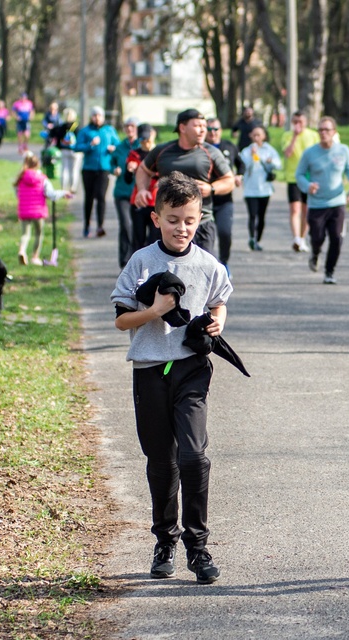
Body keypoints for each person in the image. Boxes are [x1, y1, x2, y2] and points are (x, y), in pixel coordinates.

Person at [110, 171, 233, 585]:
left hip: (192, 369)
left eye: (190, 220)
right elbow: (121, 319)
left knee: (194, 457)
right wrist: (154, 312)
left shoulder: (208, 264)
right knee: (161, 461)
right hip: (149, 370)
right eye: (174, 218)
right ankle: (165, 540)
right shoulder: (141, 262)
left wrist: (215, 324)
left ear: (200, 219)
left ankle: (197, 548)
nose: (182, 228)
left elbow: (218, 303)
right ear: (156, 216)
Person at [134, 109, 235, 257]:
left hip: (200, 224)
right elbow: (143, 169)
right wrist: (142, 189)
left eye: (204, 126)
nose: (203, 130)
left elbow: (229, 180)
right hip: (167, 225)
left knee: (202, 274)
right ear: (182, 128)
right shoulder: (162, 151)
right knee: (162, 274)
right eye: (197, 125)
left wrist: (212, 188)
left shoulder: (210, 152)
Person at [295, 116, 349, 284]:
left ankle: (329, 272)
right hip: (316, 203)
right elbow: (299, 174)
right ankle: (315, 253)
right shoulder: (310, 153)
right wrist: (308, 186)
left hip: (337, 201)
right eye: (320, 130)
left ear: (334, 132)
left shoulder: (343, 150)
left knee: (337, 238)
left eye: (327, 130)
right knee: (317, 238)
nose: (323, 133)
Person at [13, 151, 73, 265]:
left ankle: (22, 250)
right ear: (37, 165)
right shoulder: (42, 179)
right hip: (38, 211)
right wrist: (63, 193)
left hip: (24, 210)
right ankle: (35, 257)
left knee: (25, 234)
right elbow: (51, 194)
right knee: (38, 233)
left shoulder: (21, 178)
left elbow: (17, 192)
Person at [205, 117, 244, 275]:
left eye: (215, 129)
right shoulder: (200, 148)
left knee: (225, 232)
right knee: (204, 236)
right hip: (204, 199)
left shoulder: (229, 146)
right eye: (209, 129)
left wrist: (239, 175)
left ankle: (224, 261)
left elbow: (241, 164)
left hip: (224, 199)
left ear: (220, 130)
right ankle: (206, 266)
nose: (212, 132)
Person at [75, 106, 120, 238]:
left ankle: (100, 226)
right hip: (88, 169)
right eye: (94, 115)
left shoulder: (109, 130)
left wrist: (114, 148)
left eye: (99, 115)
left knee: (101, 197)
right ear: (91, 117)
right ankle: (87, 225)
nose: (97, 118)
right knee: (89, 198)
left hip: (104, 169)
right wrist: (90, 145)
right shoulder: (85, 131)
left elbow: (118, 145)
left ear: (103, 117)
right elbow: (77, 147)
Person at [281, 111, 319, 252]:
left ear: (306, 122)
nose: (297, 125)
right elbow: (287, 153)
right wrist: (295, 137)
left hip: (310, 178)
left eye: (300, 122)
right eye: (295, 122)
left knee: (306, 210)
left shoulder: (313, 135)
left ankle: (302, 238)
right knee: (295, 209)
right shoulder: (287, 135)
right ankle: (296, 238)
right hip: (293, 177)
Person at [240, 125, 281, 251]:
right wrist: (253, 156)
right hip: (250, 189)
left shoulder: (269, 150)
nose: (257, 137)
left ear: (264, 136)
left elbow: (278, 165)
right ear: (251, 136)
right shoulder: (246, 151)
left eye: (259, 134)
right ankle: (252, 238)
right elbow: (244, 166)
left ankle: (258, 239)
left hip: (264, 189)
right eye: (254, 135)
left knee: (261, 216)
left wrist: (270, 162)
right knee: (252, 215)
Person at [111, 116, 141, 267]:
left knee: (137, 228)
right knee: (125, 225)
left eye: (132, 126)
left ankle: (136, 261)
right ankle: (124, 261)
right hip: (122, 193)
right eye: (127, 126)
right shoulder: (120, 146)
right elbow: (111, 162)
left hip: (139, 193)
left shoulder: (142, 146)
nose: (129, 129)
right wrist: (114, 169)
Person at [125, 123, 159, 253]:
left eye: (147, 139)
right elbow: (127, 180)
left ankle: (154, 269)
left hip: (156, 201)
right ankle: (137, 268)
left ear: (153, 135)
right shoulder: (134, 154)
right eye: (142, 139)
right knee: (138, 237)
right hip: (138, 201)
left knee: (155, 238)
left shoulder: (160, 153)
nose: (145, 142)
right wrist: (129, 170)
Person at [49, 108, 81, 193]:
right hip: (75, 152)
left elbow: (54, 135)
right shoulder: (77, 127)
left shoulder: (62, 127)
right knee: (74, 170)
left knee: (64, 170)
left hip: (64, 150)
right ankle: (72, 188)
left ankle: (63, 188)